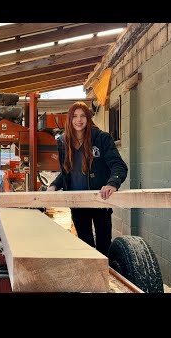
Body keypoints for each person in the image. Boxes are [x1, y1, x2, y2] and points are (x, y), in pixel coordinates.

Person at [47, 101, 127, 256]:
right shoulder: (64, 142)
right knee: (85, 245)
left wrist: (113, 183)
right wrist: (54, 185)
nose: (79, 120)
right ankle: (91, 277)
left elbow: (119, 165)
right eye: (75, 116)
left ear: (88, 118)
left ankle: (105, 277)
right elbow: (67, 171)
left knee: (104, 245)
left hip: (100, 200)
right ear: (69, 119)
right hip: (77, 201)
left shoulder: (102, 138)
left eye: (83, 116)